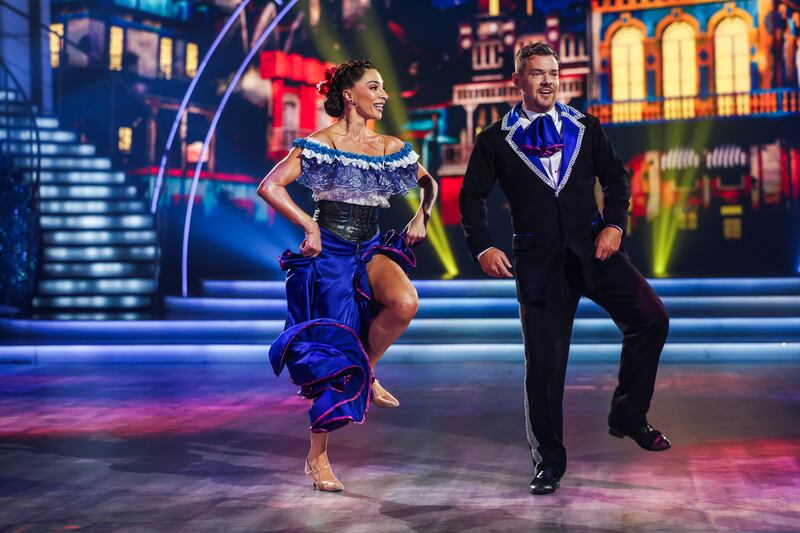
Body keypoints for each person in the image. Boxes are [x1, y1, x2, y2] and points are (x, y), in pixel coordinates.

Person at [459, 43, 670, 496]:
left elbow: (616, 178)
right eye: (537, 73)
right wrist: (482, 248)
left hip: (595, 250)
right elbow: (471, 197)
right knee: (546, 370)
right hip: (538, 264)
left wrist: (614, 224)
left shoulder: (585, 127)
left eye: (553, 72)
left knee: (652, 319)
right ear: (518, 80)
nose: (549, 81)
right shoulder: (495, 139)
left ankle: (629, 416)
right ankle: (549, 462)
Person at [257, 60, 437, 492]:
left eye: (383, 86)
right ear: (350, 94)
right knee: (334, 359)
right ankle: (316, 458)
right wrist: (310, 225)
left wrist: (422, 216)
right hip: (332, 254)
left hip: (371, 247)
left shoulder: (390, 146)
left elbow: (429, 184)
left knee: (406, 302)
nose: (383, 95)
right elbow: (269, 185)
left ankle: (366, 372)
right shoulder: (320, 144)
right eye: (374, 86)